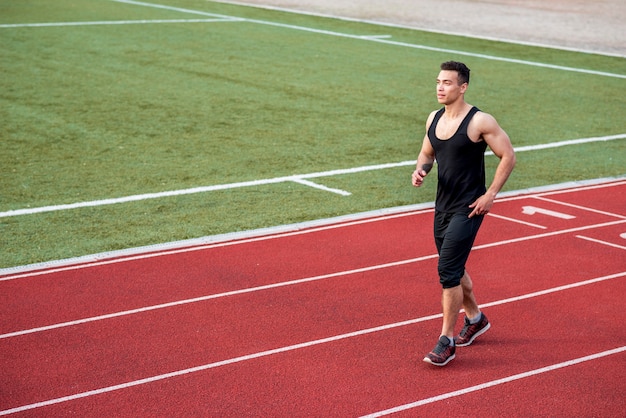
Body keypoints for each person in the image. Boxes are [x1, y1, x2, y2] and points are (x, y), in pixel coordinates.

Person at [412, 61, 516, 366]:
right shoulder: (434, 118)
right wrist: (421, 170)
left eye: (447, 83)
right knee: (455, 269)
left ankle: (446, 340)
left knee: (447, 272)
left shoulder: (479, 121)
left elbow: (508, 155)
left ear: (463, 87)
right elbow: (427, 153)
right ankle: (476, 318)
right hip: (442, 207)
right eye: (438, 82)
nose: (440, 88)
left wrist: (490, 194)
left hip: (469, 208)